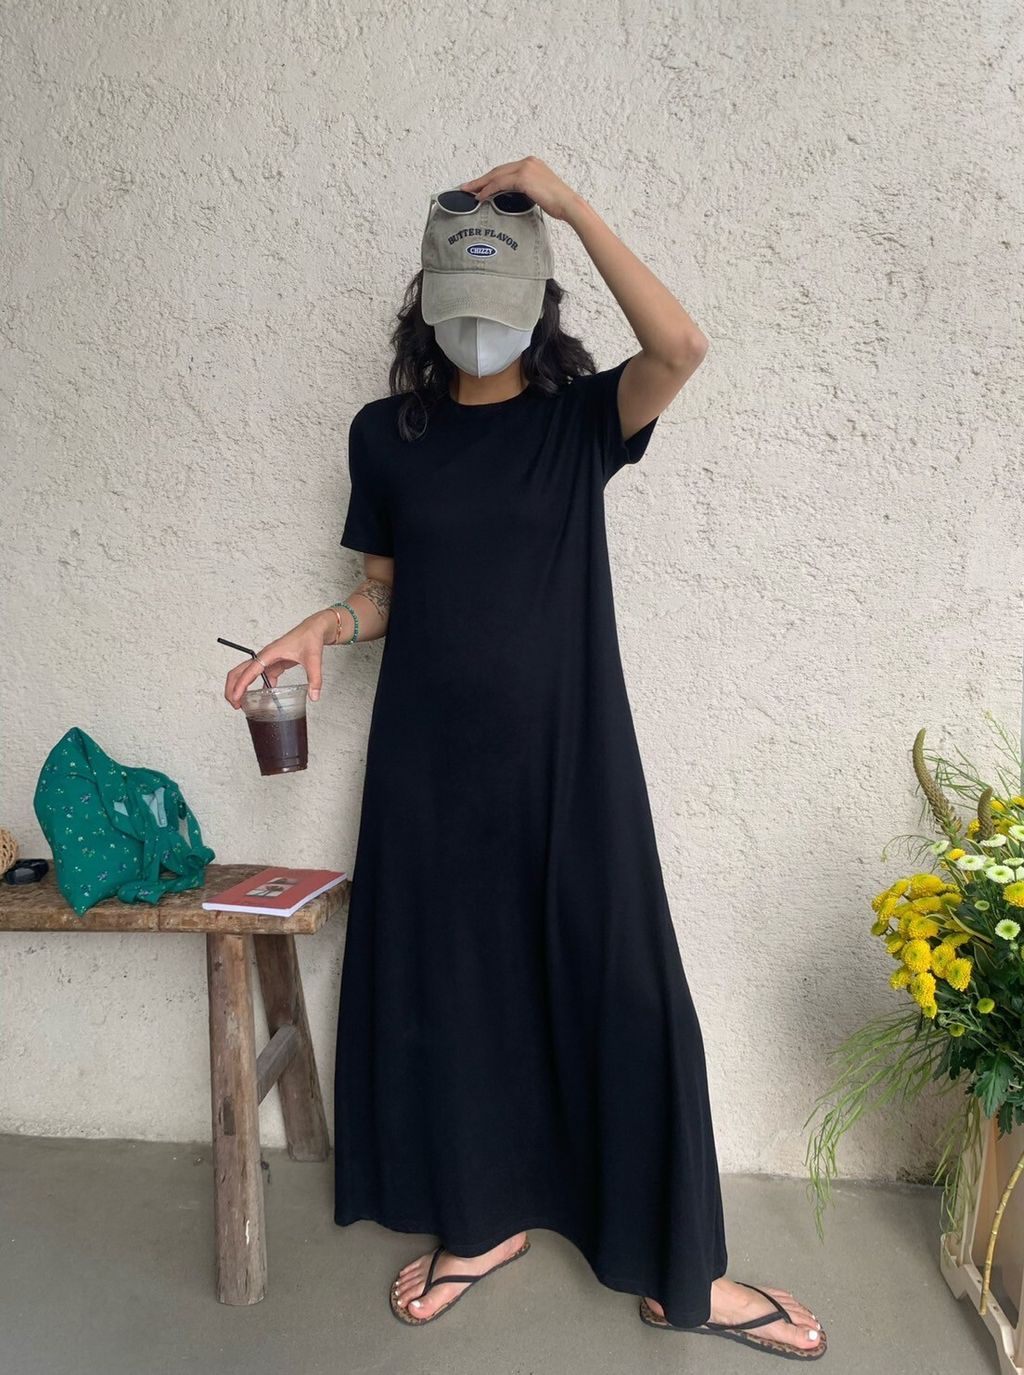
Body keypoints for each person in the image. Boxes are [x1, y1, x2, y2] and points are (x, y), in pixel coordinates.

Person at [223, 156, 827, 1362]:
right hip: (431, 771)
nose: (478, 330)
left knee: (633, 995)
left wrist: (569, 204)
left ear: (538, 305)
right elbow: (386, 591)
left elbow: (682, 346)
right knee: (460, 997)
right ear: (427, 304)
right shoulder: (386, 436)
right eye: (458, 307)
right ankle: (481, 1221)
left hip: (569, 763)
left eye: (500, 307)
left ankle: (681, 1270)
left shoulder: (579, 422)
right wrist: (318, 628)